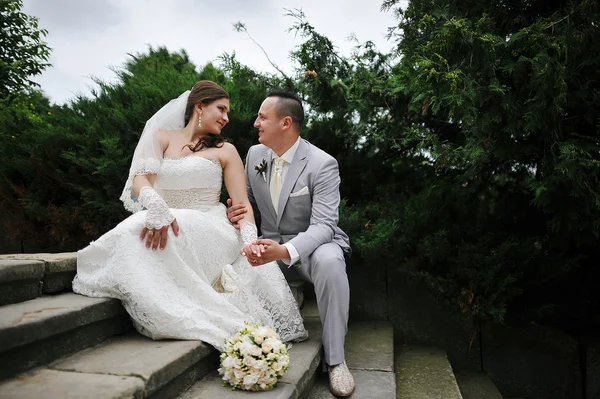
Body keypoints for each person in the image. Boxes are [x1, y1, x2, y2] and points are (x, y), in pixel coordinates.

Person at [72, 81, 307, 350]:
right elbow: (140, 179)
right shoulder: (160, 138)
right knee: (134, 228)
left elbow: (242, 205)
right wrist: (157, 209)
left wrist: (249, 241)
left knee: (166, 228)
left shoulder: (226, 150)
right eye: (221, 109)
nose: (226, 118)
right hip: (164, 218)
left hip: (211, 225)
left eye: (227, 112)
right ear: (199, 106)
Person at [227, 91, 355, 397]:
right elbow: (245, 202)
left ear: (286, 122)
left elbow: (325, 226)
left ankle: (336, 361)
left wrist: (285, 251)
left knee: (330, 260)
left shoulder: (322, 164)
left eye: (262, 117)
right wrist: (236, 211)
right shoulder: (255, 155)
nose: (255, 122)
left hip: (312, 248)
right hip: (269, 245)